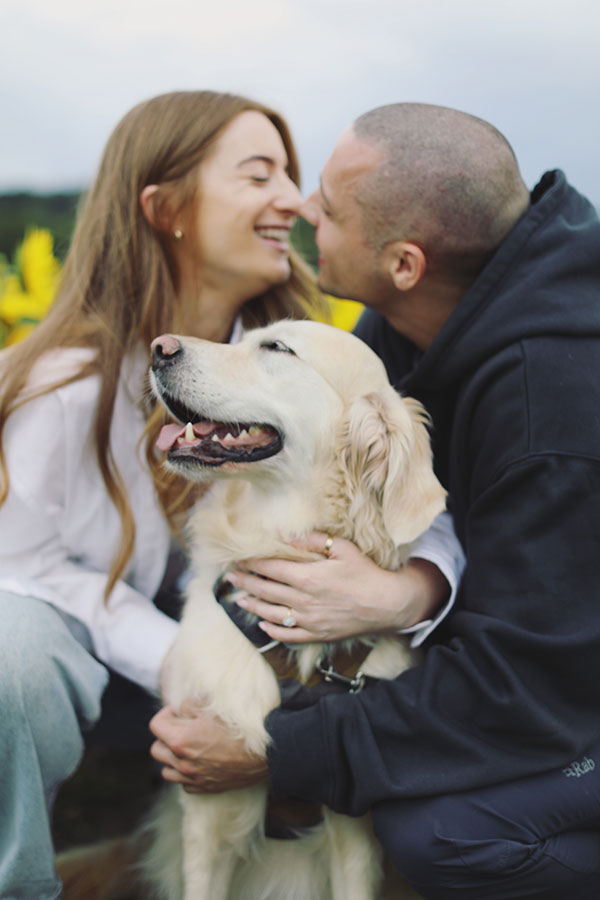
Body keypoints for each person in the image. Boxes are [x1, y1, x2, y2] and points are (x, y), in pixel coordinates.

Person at [0, 92, 461, 900]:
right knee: (10, 651)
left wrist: (407, 585)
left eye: (290, 174)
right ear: (166, 209)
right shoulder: (63, 383)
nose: (295, 200)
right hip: (109, 664)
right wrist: (188, 663)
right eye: (260, 176)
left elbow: (403, 477)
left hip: (258, 654)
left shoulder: (303, 347)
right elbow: (21, 564)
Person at [149, 103, 600, 900]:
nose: (301, 207)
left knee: (441, 832)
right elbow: (408, 492)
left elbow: (532, 691)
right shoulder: (419, 320)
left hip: (573, 703)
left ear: (404, 263)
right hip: (548, 667)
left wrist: (272, 753)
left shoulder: (553, 404)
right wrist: (413, 585)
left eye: (328, 203)